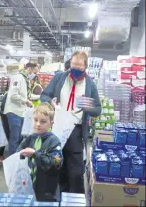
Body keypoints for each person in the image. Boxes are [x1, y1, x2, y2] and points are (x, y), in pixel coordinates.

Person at [41, 51, 101, 194]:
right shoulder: (59, 78)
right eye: (73, 65)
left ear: (85, 67)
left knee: (75, 172)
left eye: (79, 66)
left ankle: (76, 199)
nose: (76, 68)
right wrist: (51, 102)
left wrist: (88, 107)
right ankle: (63, 197)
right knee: (58, 166)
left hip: (76, 131)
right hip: (58, 128)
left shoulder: (90, 85)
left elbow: (98, 109)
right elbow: (44, 95)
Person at [17, 103, 63, 202]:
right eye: (36, 120)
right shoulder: (30, 138)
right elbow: (18, 154)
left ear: (51, 124)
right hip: (30, 185)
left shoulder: (54, 142)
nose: (38, 124)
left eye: (43, 121)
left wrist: (35, 154)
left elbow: (56, 163)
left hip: (47, 189)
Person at [4, 62, 39, 155]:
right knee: (15, 138)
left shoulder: (25, 79)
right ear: (30, 69)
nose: (34, 75)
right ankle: (12, 161)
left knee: (18, 138)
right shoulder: (18, 78)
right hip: (14, 111)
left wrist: (39, 96)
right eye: (34, 72)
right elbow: (13, 96)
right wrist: (25, 101)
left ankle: (16, 159)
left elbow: (26, 95)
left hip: (20, 112)